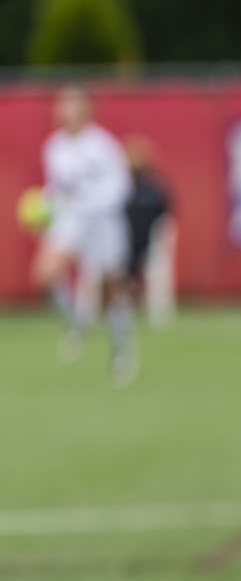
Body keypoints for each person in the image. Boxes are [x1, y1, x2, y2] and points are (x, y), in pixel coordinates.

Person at [36, 84, 135, 383]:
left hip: (104, 225)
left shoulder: (102, 145)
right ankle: (77, 323)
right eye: (62, 104)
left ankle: (122, 351)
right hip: (72, 222)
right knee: (47, 273)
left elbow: (122, 188)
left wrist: (89, 204)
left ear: (86, 110)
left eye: (71, 105)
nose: (64, 110)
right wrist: (44, 206)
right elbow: (56, 189)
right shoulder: (54, 146)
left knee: (110, 293)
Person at [122, 137, 173, 316]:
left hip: (149, 245)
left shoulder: (154, 188)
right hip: (122, 245)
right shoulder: (119, 187)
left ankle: (151, 305)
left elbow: (167, 217)